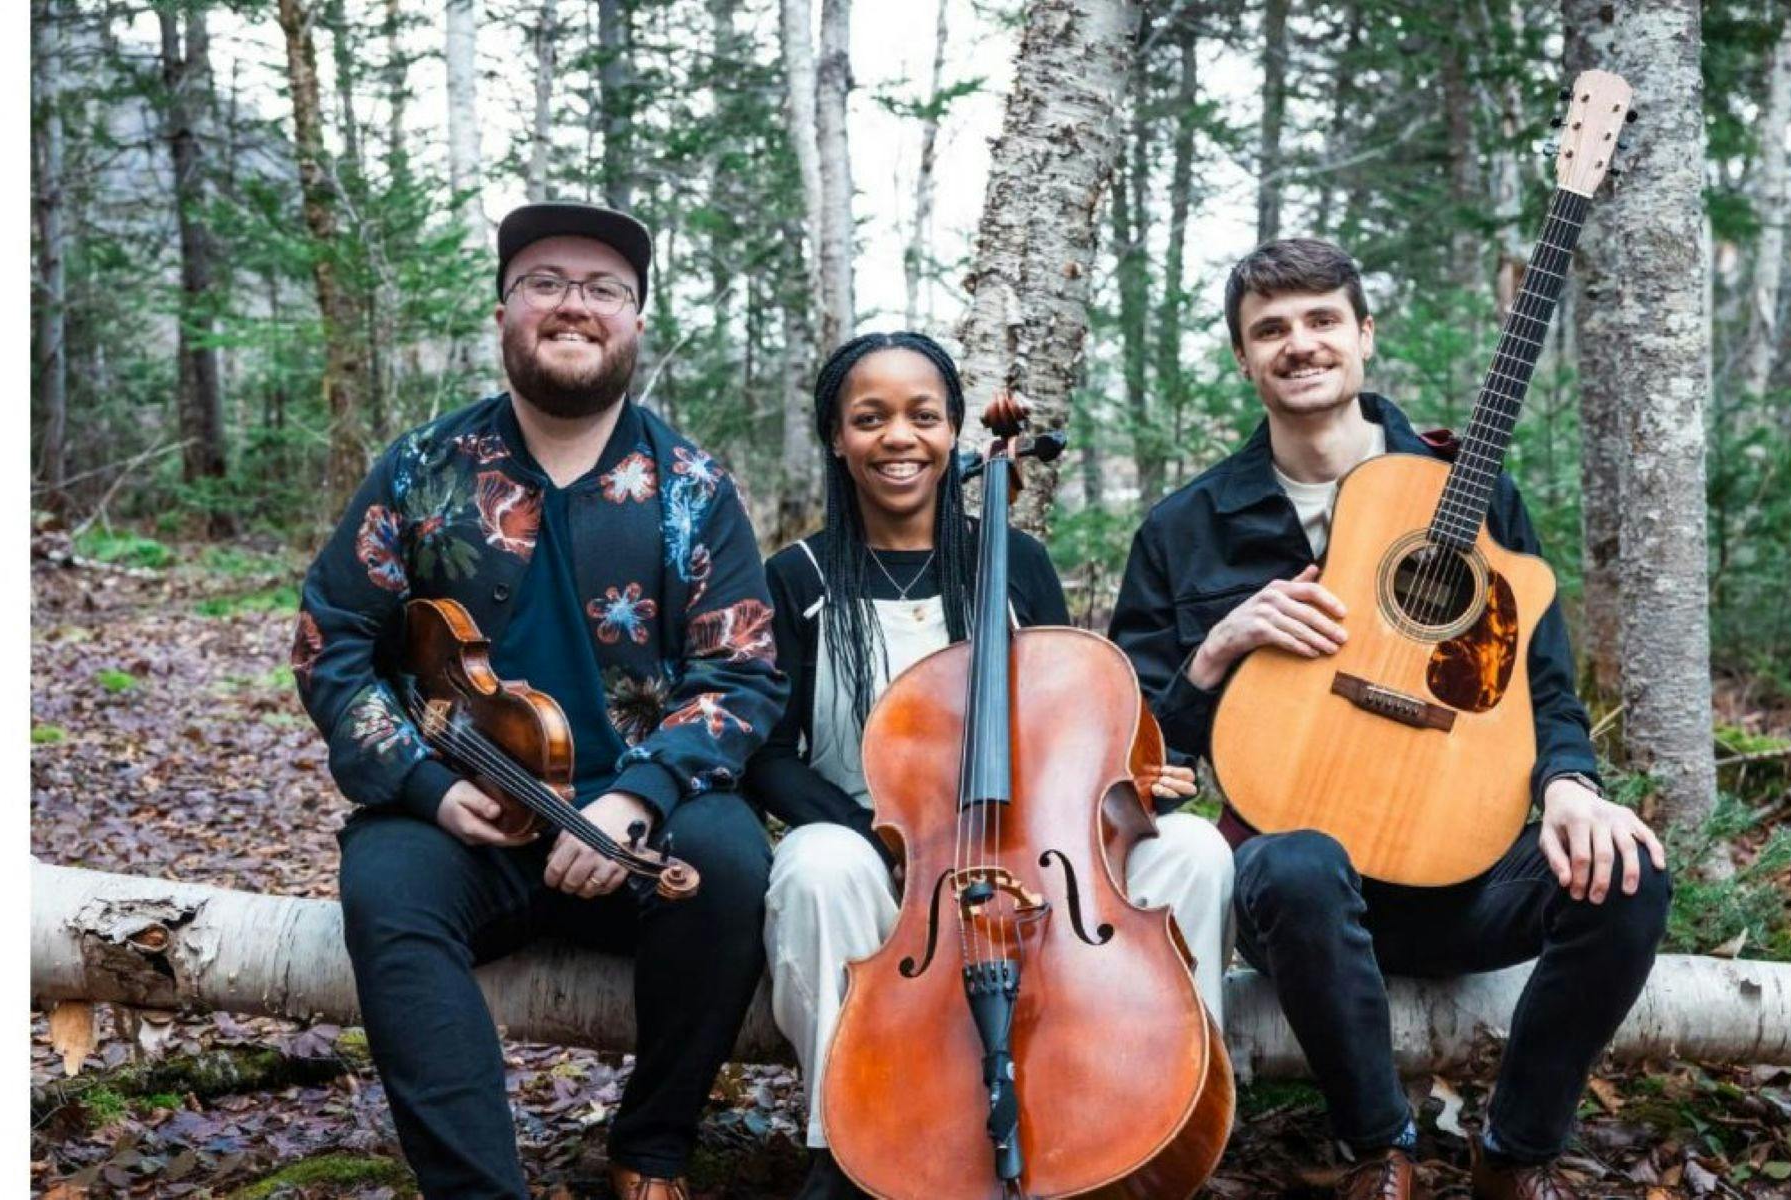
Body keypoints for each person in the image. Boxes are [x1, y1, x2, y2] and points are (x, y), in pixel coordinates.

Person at [1106, 238, 1670, 1200]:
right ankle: (1382, 1148)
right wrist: (1216, 651)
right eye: (1270, 330)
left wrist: (1572, 785)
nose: (1300, 344)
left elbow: (1538, 681)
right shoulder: (1183, 530)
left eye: (1323, 319)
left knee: (1630, 872)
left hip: (1468, 867)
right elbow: (1136, 753)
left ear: (1363, 335)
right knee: (1295, 859)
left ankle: (1516, 1152)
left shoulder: (1474, 495)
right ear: (1244, 359)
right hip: (1302, 901)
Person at [291, 201, 786, 1200]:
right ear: (505, 310)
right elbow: (329, 640)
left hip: (638, 813)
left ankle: (651, 1149)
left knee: (732, 868)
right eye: (546, 284)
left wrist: (637, 796)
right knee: (387, 891)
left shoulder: (692, 487)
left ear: (638, 319)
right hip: (467, 814)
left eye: (603, 289)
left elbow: (741, 672)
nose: (574, 306)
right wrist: (423, 785)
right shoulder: (424, 470)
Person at [743, 331, 1236, 1199]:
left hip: (1035, 856)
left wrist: (1130, 776)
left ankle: (1146, 1114)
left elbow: (1071, 722)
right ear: (836, 437)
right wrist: (892, 834)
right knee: (814, 866)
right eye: (871, 419)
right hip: (884, 863)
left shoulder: (1020, 567)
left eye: (923, 416)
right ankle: (849, 1145)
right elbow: (768, 758)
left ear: (954, 432)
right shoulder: (797, 576)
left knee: (1196, 853)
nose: (900, 438)